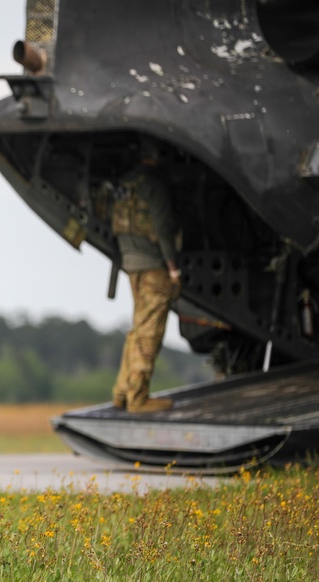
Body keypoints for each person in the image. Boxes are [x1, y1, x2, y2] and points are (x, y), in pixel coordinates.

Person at [111, 139, 181, 413]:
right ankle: (139, 398)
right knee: (150, 330)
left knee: (138, 328)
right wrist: (173, 267)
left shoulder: (125, 184)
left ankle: (122, 392)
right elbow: (164, 229)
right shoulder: (154, 186)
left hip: (131, 263)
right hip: (153, 265)